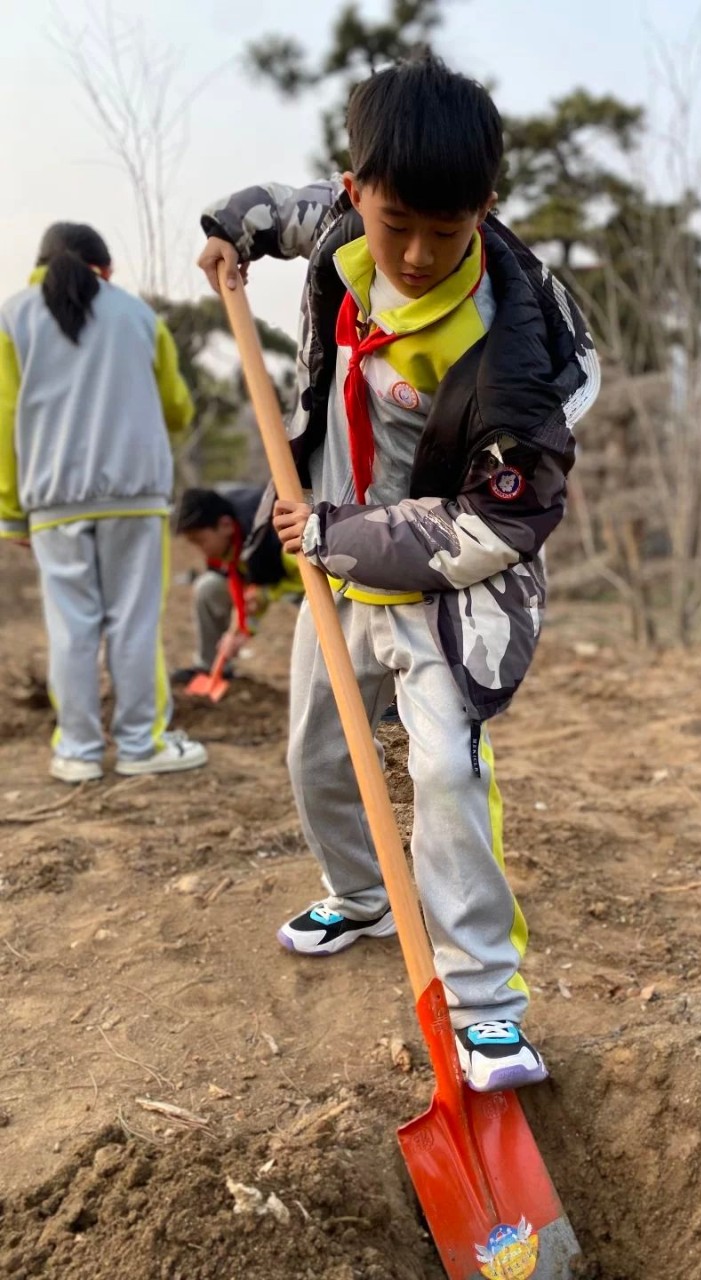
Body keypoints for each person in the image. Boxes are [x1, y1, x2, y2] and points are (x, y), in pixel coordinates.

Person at [197, 55, 599, 1091]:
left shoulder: (513, 360)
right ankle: (364, 895)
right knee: (317, 756)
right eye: (395, 223)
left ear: (487, 210)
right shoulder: (343, 231)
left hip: (448, 586)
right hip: (329, 553)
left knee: (448, 773)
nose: (417, 254)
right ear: (357, 190)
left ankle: (486, 1005)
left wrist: (334, 535)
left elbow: (500, 520)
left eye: (447, 231)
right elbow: (284, 213)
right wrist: (229, 227)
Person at [0, 222, 207, 783]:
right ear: (107, 271)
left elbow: (5, 418)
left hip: (52, 503)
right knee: (134, 625)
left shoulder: (12, 317)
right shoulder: (138, 316)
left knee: (71, 629)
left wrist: (10, 511)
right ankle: (142, 744)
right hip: (134, 499)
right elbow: (179, 410)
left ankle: (78, 752)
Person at [173, 485, 303, 683]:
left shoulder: (268, 534)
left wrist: (266, 594)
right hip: (270, 579)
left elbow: (309, 577)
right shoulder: (225, 539)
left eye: (200, 541)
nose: (199, 551)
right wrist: (243, 629)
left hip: (305, 581)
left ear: (224, 525)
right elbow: (247, 585)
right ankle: (212, 669)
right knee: (209, 587)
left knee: (311, 609)